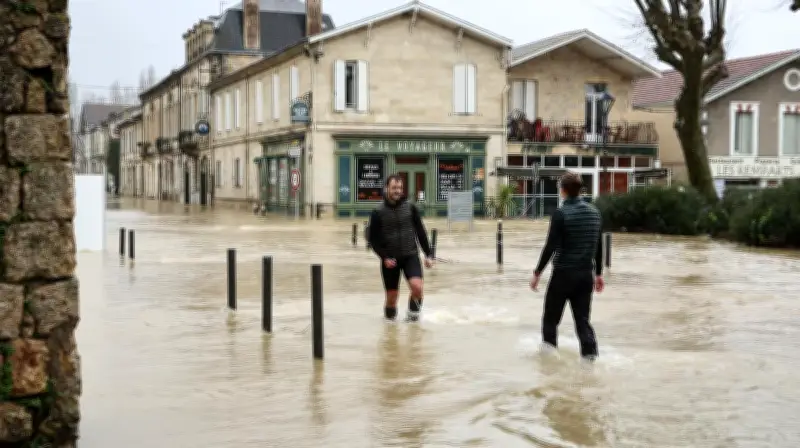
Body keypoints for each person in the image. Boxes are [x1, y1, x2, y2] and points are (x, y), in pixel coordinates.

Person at [530, 172, 604, 361]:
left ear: (563, 190)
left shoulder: (561, 214)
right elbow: (598, 245)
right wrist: (598, 274)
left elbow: (550, 246)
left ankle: (549, 361)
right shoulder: (594, 213)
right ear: (580, 190)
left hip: (563, 275)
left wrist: (537, 273)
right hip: (585, 276)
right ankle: (590, 361)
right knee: (583, 321)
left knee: (550, 319)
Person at [367, 174, 434, 322]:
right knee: (392, 298)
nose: (397, 191)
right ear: (387, 188)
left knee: (417, 288)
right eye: (394, 188)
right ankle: (389, 327)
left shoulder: (410, 207)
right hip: (390, 260)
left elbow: (421, 232)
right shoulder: (378, 212)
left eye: (400, 188)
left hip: (411, 255)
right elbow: (373, 240)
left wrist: (429, 254)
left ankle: (413, 321)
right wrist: (384, 257)